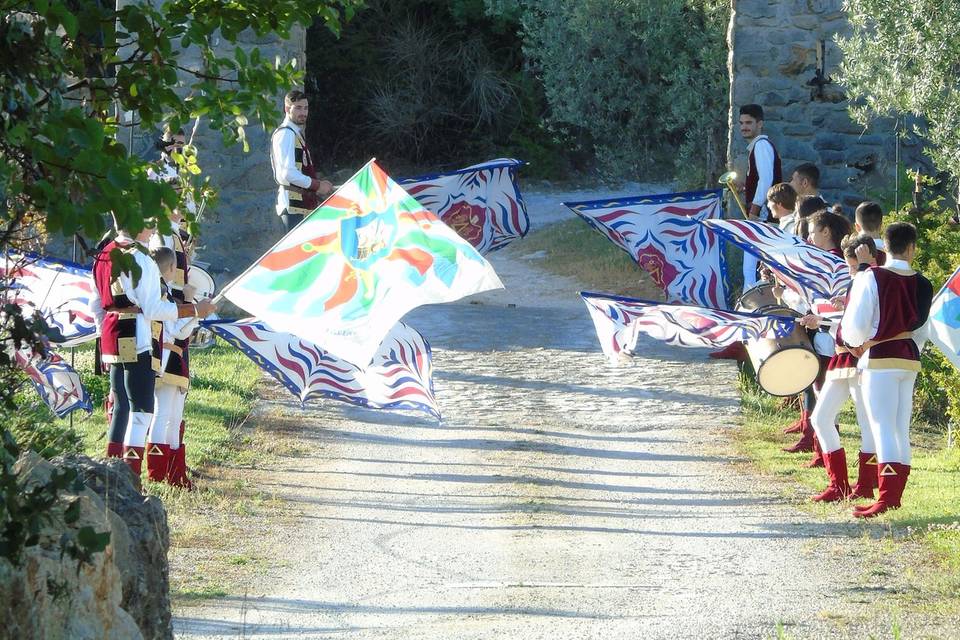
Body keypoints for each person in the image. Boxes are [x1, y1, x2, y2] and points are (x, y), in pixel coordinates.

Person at [91, 223, 216, 473]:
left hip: (111, 332)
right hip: (137, 334)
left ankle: (111, 473)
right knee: (142, 410)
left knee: (121, 407)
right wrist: (194, 310)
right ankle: (129, 477)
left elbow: (95, 302)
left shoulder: (104, 253)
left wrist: (101, 330)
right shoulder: (141, 257)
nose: (151, 227)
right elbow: (154, 309)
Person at [841, 222, 933, 518]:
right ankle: (894, 494)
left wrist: (855, 343)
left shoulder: (872, 277)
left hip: (879, 358)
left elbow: (855, 325)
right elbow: (920, 327)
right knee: (899, 427)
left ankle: (887, 497)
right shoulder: (924, 282)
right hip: (909, 357)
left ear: (886, 246)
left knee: (881, 426)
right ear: (911, 248)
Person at [807, 234, 882, 502]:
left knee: (867, 423)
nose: (850, 271)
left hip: (861, 356)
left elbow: (869, 320)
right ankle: (839, 485)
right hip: (843, 355)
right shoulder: (861, 279)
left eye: (852, 265)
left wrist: (826, 322)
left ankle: (865, 484)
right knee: (821, 417)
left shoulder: (875, 277)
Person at [781, 211, 851, 459]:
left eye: (812, 231)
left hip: (831, 336)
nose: (809, 237)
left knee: (824, 397)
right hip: (823, 332)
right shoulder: (825, 260)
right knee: (819, 391)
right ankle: (818, 447)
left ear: (826, 232)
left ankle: (823, 451)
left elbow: (833, 302)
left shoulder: (834, 263)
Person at [145, 247, 199, 488]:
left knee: (173, 417)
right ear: (169, 268)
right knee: (163, 414)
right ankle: (157, 474)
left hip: (173, 356)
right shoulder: (157, 292)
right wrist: (194, 310)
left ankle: (174, 473)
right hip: (162, 358)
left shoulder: (164, 291)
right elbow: (175, 329)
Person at [270, 89, 333, 232]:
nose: (303, 112)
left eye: (306, 108)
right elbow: (288, 174)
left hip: (301, 205)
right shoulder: (286, 133)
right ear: (287, 109)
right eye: (298, 108)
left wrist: (319, 186)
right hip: (293, 206)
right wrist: (317, 185)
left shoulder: (295, 134)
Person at [737, 104, 783, 288]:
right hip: (763, 215)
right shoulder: (758, 146)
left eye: (749, 122)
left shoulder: (762, 145)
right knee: (751, 267)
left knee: (753, 269)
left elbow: (766, 180)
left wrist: (754, 211)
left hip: (764, 216)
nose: (743, 127)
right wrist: (745, 186)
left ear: (760, 124)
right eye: (741, 123)